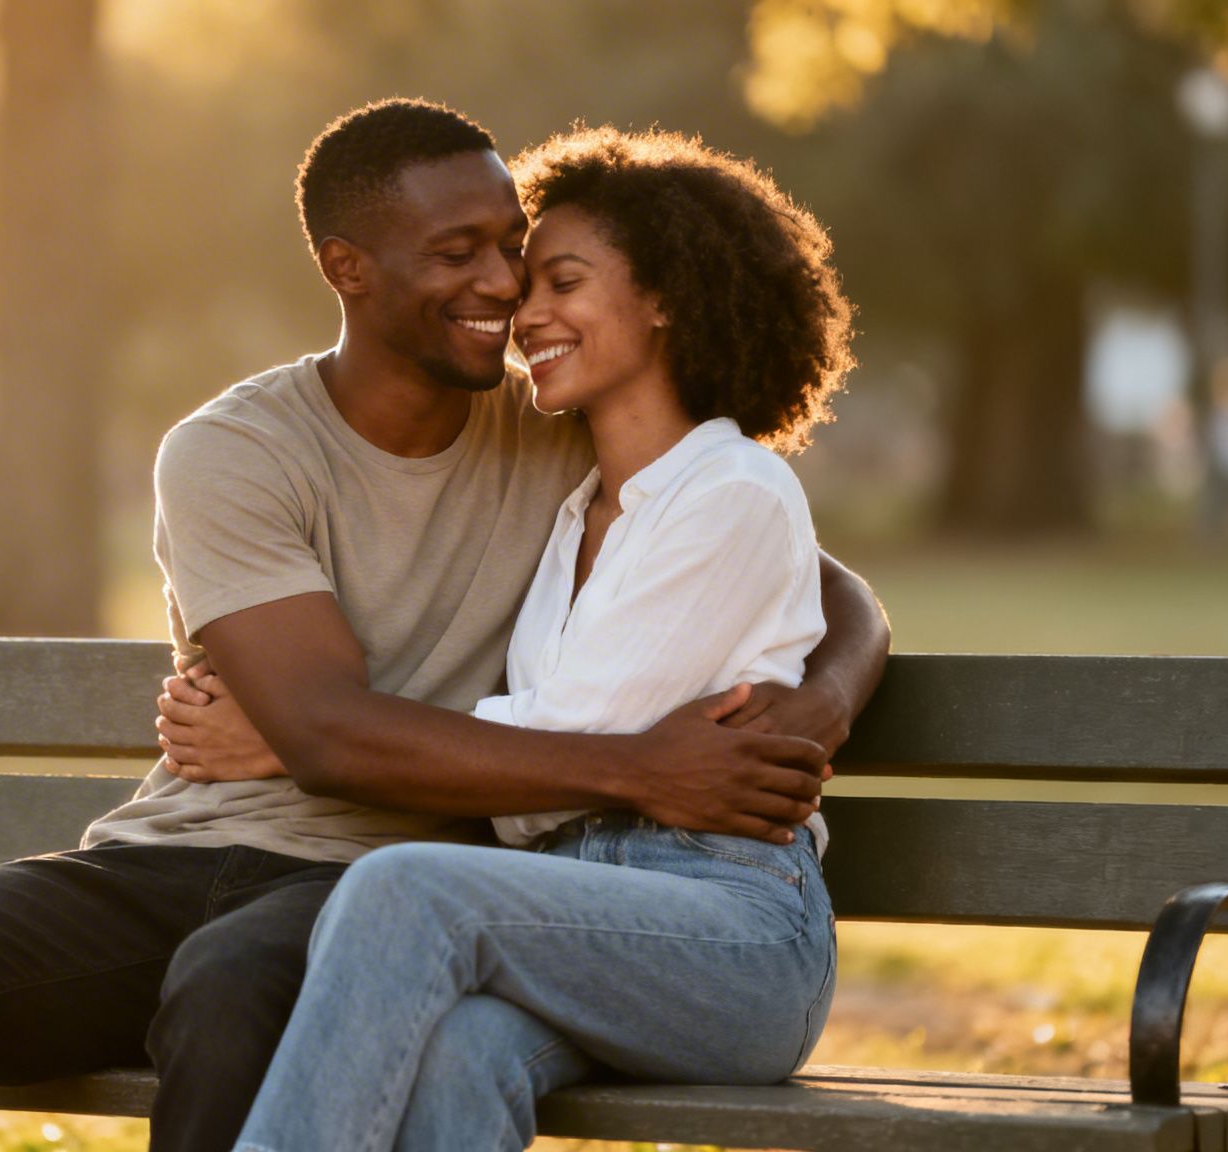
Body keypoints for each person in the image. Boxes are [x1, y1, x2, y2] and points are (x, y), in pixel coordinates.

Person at [0, 99, 888, 1152]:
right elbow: (322, 735)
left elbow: (818, 581)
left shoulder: (561, 423)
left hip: (392, 873)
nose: (502, 286)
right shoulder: (234, 451)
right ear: (346, 268)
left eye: (514, 248)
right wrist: (629, 768)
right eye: (458, 252)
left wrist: (814, 709)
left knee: (230, 992)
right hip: (181, 851)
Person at [213, 125, 856, 1152]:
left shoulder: (732, 492)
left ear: (664, 298)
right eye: (529, 284)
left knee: (403, 890)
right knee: (460, 1056)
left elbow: (548, 776)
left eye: (560, 281)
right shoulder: (573, 517)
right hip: (583, 921)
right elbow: (569, 773)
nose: (525, 311)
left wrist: (294, 737)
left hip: (730, 938)